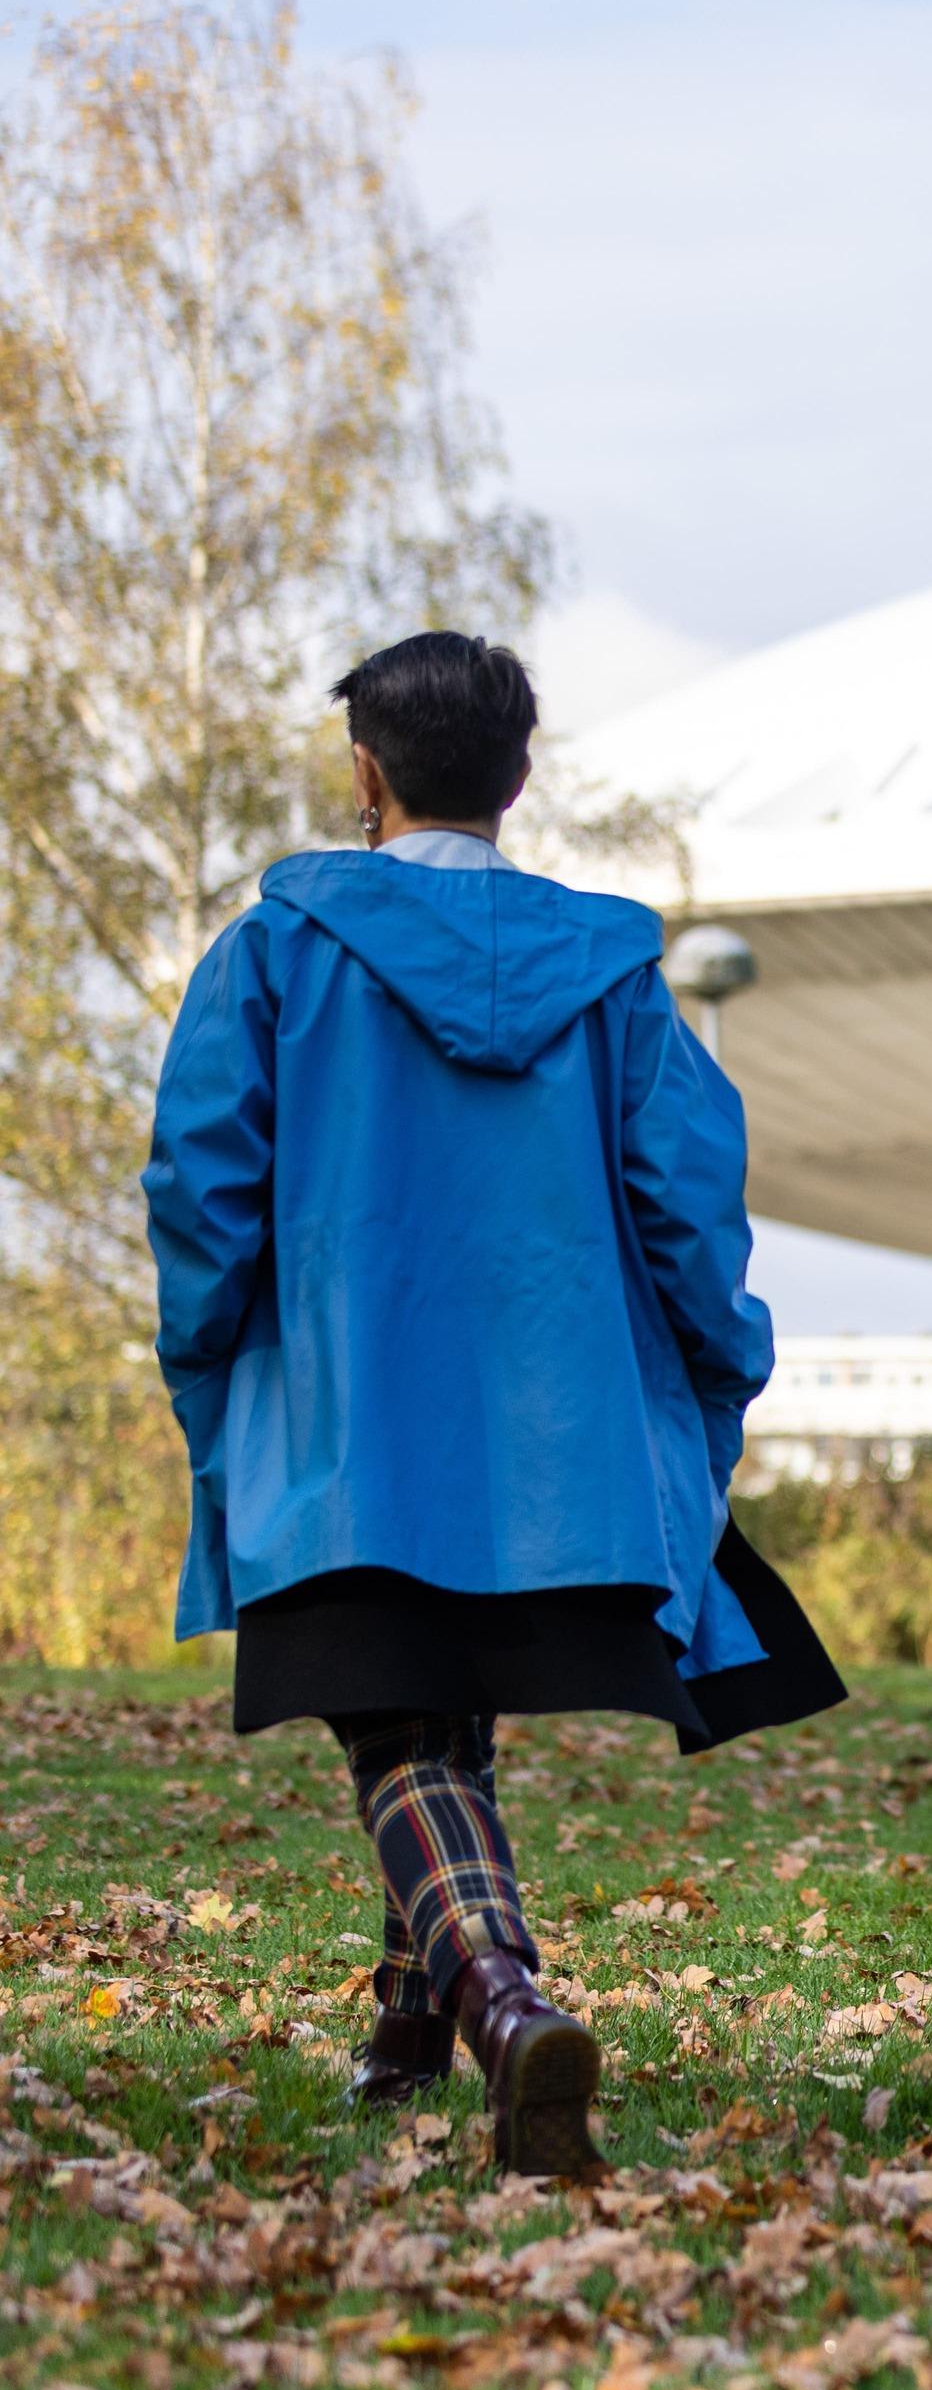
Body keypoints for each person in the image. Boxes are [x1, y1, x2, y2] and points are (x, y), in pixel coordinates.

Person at [142, 631, 844, 2178]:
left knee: (400, 1727)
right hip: (561, 1447)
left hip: (344, 1422)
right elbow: (686, 1200)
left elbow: (203, 1187)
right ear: (520, 779)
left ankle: (508, 2007)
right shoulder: (611, 975)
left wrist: (209, 1354)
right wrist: (719, 1363)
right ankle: (407, 2040)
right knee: (440, 1716)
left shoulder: (275, 951)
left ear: (366, 776)